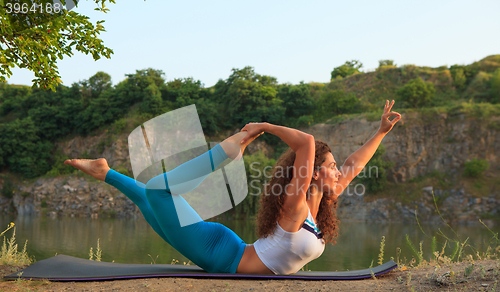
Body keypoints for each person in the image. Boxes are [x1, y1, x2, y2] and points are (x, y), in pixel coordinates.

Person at [65, 100, 401, 275]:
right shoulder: (296, 206)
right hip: (221, 256)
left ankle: (105, 172)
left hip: (226, 247)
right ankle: (225, 152)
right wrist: (263, 126)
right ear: (313, 175)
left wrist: (381, 132)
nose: (338, 172)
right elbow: (307, 143)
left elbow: (355, 164)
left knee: (153, 201)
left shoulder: (320, 204)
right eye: (331, 167)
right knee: (156, 192)